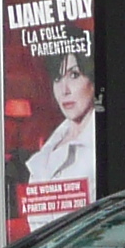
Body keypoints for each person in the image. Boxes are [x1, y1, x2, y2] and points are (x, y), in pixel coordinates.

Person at [20, 47, 100, 192]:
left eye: (74, 75)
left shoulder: (101, 143)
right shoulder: (50, 146)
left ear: (93, 81)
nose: (64, 90)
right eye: (57, 78)